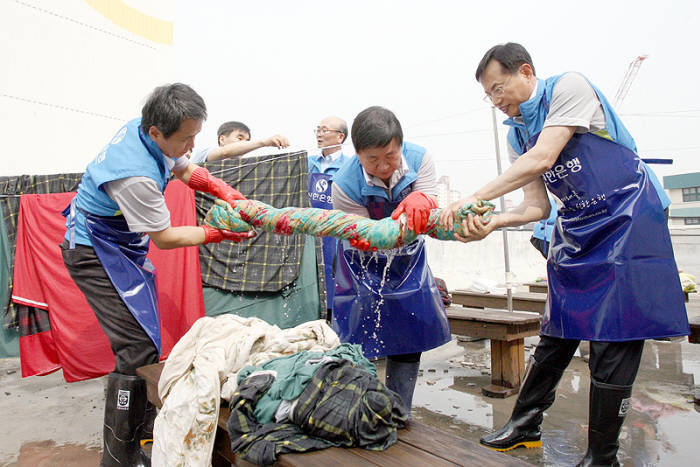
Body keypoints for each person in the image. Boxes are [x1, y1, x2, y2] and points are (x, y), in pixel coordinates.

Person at [439, 43, 689, 466]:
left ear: (526, 72)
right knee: (557, 327)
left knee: (614, 335)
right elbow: (537, 207)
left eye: (500, 88)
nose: (498, 102)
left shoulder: (569, 88)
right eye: (490, 95)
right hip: (577, 227)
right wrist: (492, 222)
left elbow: (545, 157)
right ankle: (525, 424)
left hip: (627, 217)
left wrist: (472, 198)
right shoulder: (517, 131)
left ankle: (602, 455)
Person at [61, 83, 256, 466]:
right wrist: (221, 233)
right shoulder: (135, 177)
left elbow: (182, 165)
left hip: (120, 246)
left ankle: (149, 432)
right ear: (156, 132)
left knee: (145, 342)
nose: (191, 145)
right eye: (186, 138)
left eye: (195, 135)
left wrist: (221, 189)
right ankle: (121, 454)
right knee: (135, 349)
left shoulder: (150, 128)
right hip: (92, 250)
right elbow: (165, 238)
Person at [331, 106, 451, 415]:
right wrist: (377, 232)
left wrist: (422, 200)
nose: (383, 166)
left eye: (390, 156)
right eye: (372, 160)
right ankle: (358, 410)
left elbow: (430, 208)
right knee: (358, 334)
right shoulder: (344, 185)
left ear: (400, 145)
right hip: (360, 259)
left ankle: (400, 410)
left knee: (408, 332)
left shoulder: (420, 158)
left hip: (409, 258)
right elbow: (365, 234)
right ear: (357, 153)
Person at [307, 116, 351, 320]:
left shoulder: (350, 167)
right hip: (308, 232)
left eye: (325, 130)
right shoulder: (308, 164)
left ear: (340, 136)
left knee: (336, 280)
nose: (319, 133)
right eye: (318, 129)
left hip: (336, 235)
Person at [188, 120, 290, 164]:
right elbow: (224, 152)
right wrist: (264, 142)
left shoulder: (243, 170)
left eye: (247, 141)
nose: (244, 144)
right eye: (240, 138)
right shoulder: (203, 154)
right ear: (222, 139)